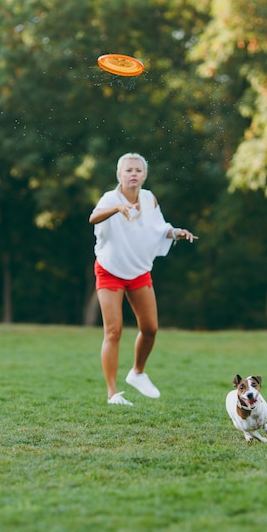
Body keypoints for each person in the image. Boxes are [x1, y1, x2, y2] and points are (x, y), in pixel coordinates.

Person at [89, 152, 198, 406]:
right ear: (119, 174)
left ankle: (137, 372)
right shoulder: (110, 198)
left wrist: (176, 233)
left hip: (138, 270)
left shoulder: (149, 199)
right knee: (113, 331)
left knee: (150, 328)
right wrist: (117, 208)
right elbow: (93, 218)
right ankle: (112, 394)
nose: (133, 174)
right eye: (128, 170)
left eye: (138, 170)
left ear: (145, 175)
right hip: (110, 269)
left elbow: (159, 229)